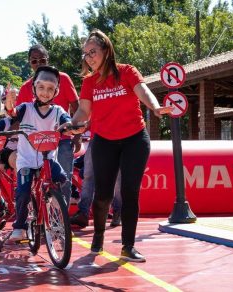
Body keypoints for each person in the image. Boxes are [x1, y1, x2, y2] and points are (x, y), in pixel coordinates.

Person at [68, 29, 173, 262]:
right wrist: (71, 124)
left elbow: (143, 91)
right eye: (85, 54)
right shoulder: (89, 83)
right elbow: (84, 111)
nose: (89, 58)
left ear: (106, 50)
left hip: (134, 139)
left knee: (129, 193)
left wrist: (155, 108)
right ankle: (98, 236)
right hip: (104, 141)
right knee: (103, 194)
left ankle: (128, 245)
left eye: (93, 52)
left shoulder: (126, 72)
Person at [5, 65, 72, 241]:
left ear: (56, 91)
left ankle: (51, 203)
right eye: (41, 87)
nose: (45, 92)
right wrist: (9, 103)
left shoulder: (58, 111)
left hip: (47, 159)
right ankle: (19, 227)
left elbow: (67, 122)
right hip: (26, 161)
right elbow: (12, 113)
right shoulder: (26, 108)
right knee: (23, 191)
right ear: (34, 87)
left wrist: (71, 128)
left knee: (62, 178)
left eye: (51, 89)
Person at [14, 44, 80, 207]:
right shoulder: (25, 87)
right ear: (30, 63)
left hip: (63, 137)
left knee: (64, 176)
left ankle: (60, 217)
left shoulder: (63, 78)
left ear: (48, 60)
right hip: (37, 143)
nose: (39, 63)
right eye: (34, 61)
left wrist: (77, 134)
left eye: (42, 60)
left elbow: (76, 105)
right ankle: (39, 214)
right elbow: (17, 118)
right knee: (31, 181)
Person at [70, 137, 122, 228]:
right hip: (97, 137)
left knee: (116, 177)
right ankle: (83, 213)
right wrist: (78, 133)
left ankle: (117, 213)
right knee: (88, 175)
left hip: (117, 137)